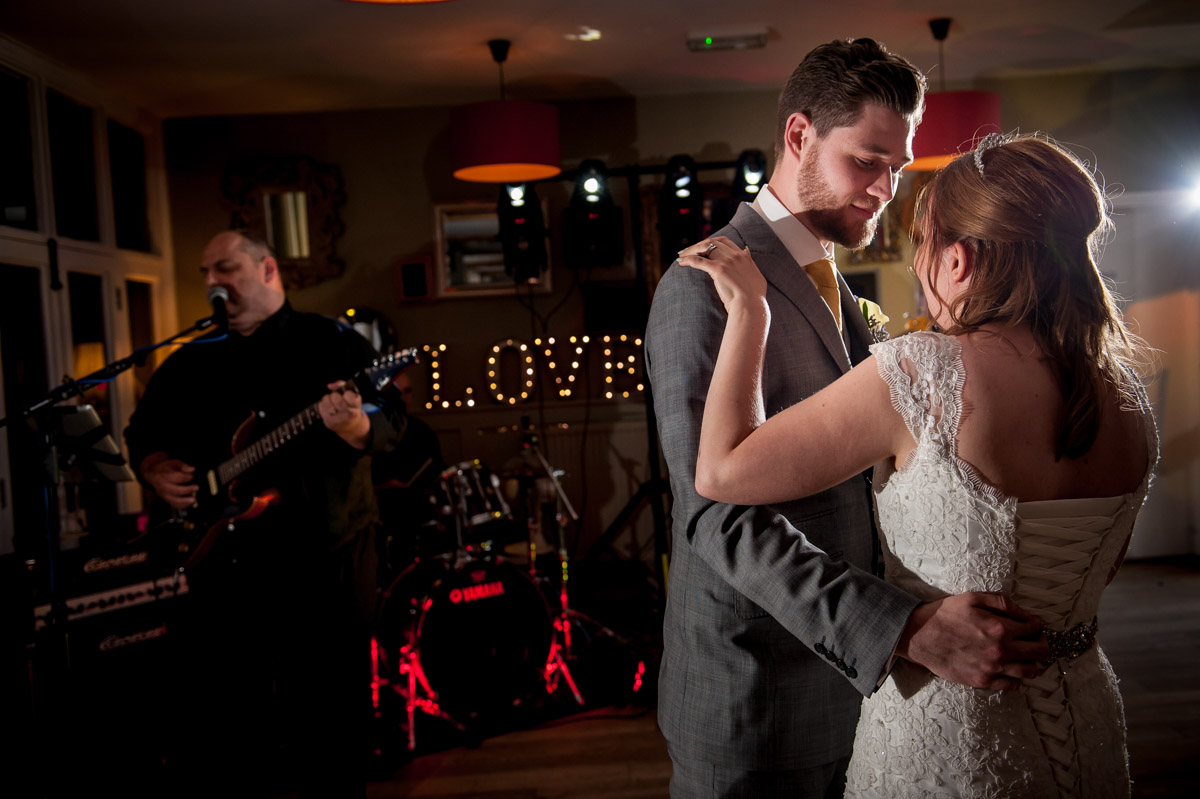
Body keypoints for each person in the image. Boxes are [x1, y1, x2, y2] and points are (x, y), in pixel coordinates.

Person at [682, 132, 1156, 796]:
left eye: (922, 244)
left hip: (953, 737)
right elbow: (1101, 568)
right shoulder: (1128, 398)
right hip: (1087, 726)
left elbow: (721, 472)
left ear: (957, 259)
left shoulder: (926, 373)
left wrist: (749, 311)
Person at [644, 38, 1050, 798]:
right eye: (867, 160)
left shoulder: (835, 277)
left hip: (863, 695)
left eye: (897, 167)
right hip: (758, 692)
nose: (886, 189)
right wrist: (902, 628)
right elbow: (715, 516)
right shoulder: (701, 284)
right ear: (799, 136)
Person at [124, 229, 405, 797]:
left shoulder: (333, 342)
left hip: (328, 556)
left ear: (268, 269)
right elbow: (142, 432)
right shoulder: (190, 360)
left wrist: (353, 424)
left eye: (224, 268)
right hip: (227, 562)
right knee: (233, 718)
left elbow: (391, 420)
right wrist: (153, 466)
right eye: (206, 273)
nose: (211, 283)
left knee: (328, 715)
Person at [372, 369, 447, 572]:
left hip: (420, 523)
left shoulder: (422, 432)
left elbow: (439, 477)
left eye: (408, 392)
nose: (404, 399)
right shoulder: (370, 435)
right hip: (382, 524)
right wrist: (382, 488)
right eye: (397, 393)